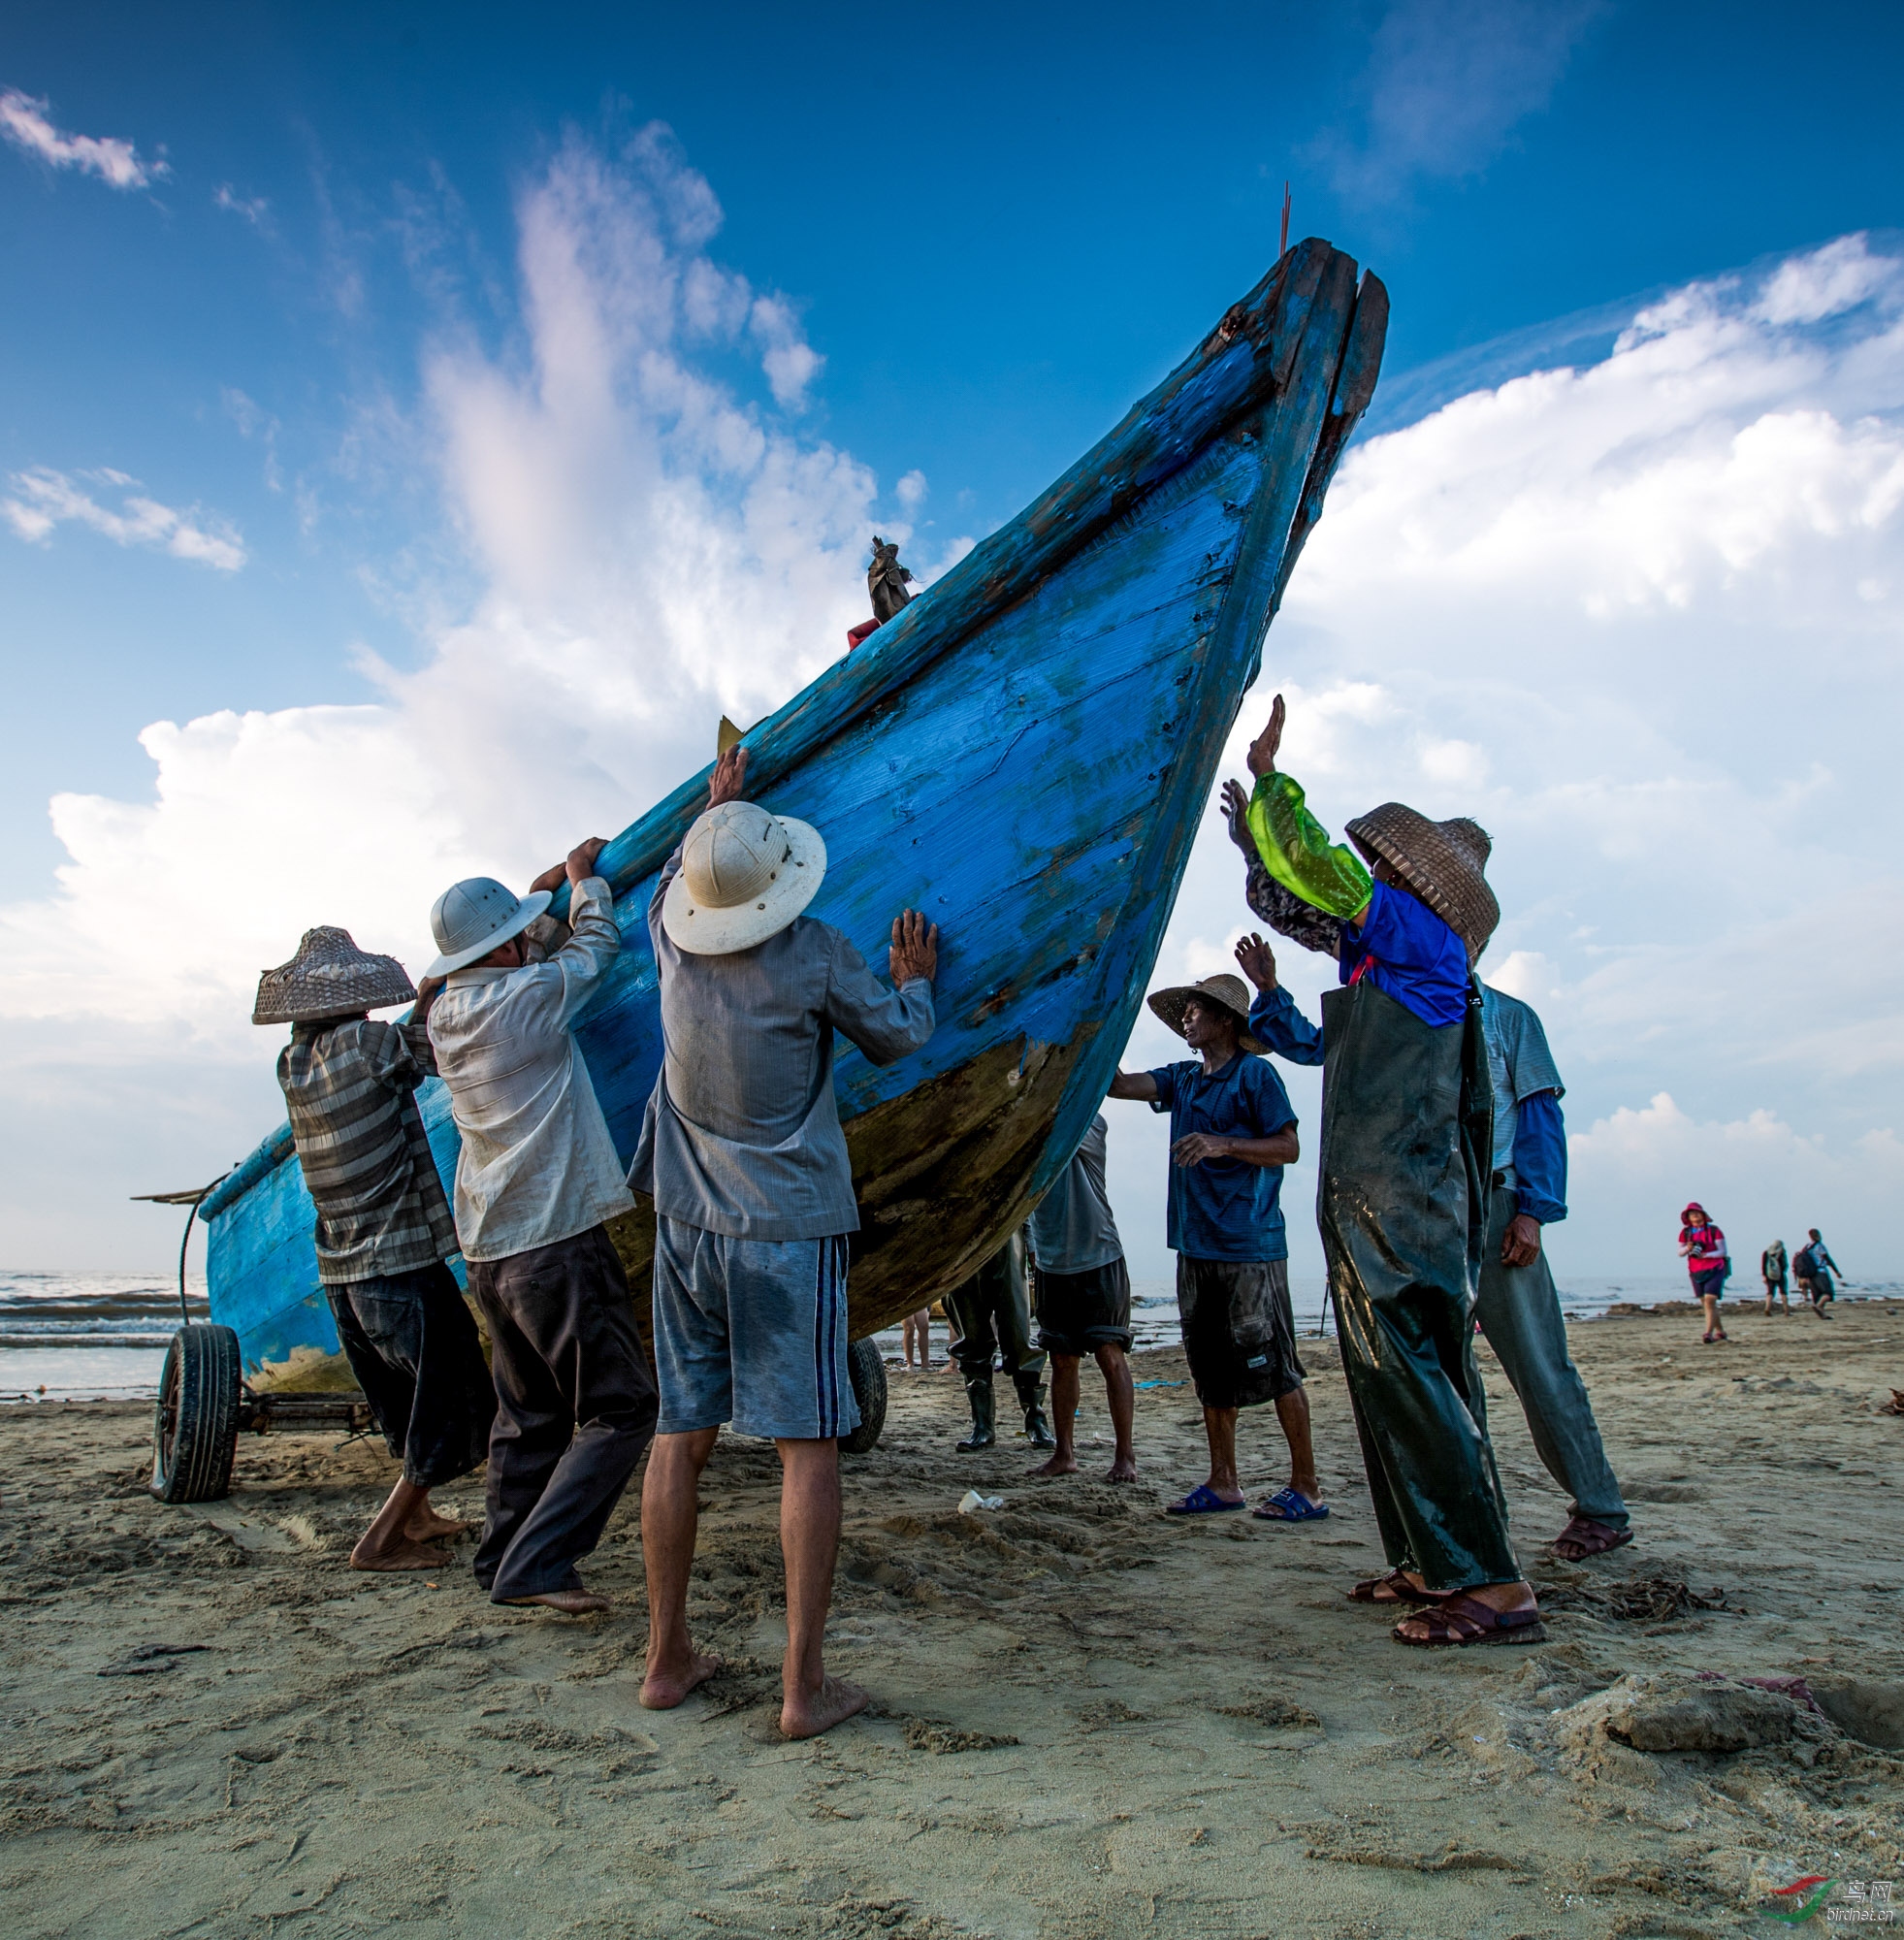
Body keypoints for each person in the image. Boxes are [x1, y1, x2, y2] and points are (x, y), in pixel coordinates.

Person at [1216, 692, 1542, 1647]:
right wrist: (1269, 976)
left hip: (1405, 1200)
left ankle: (1488, 1583)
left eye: (1382, 870)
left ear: (1412, 882)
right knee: (1383, 1372)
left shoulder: (1416, 935)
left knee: (1416, 1372)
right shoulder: (1381, 959)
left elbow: (1314, 872)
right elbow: (1321, 1026)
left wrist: (1275, 785)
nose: (1368, 878)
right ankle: (1426, 1556)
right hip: (1373, 1197)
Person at [631, 745, 939, 1740]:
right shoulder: (811, 952)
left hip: (683, 1222)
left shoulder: (671, 946)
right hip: (786, 1229)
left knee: (680, 1434)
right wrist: (916, 981)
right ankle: (802, 1686)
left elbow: (675, 883)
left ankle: (666, 1656)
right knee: (807, 1447)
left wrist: (715, 807)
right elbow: (895, 1036)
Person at [1236, 931, 1632, 1563]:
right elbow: (1316, 1046)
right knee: (1438, 1379)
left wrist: (1530, 1212)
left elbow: (1537, 1117)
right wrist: (1267, 991)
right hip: (1418, 1213)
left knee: (1538, 1367)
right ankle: (1470, 1529)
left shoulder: (1508, 1016)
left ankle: (1600, 1509)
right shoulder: (1387, 1013)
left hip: (1494, 1208)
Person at [427, 839, 660, 1615]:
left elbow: (539, 963)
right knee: (624, 1406)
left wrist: (536, 919)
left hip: (490, 1251)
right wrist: (583, 884)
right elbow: (596, 951)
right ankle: (539, 1563)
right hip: (554, 1240)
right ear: (511, 946)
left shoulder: (446, 1018)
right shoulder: (524, 999)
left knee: (529, 1415)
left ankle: (501, 1560)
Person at [257, 927, 496, 1572]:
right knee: (454, 1399)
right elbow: (433, 1048)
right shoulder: (369, 1044)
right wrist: (437, 986)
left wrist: (414, 1001)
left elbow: (385, 1045)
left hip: (343, 1276)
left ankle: (416, 1518)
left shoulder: (293, 1064)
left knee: (410, 1400)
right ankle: (383, 1537)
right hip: (399, 1264)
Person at [1105, 973, 1321, 1522]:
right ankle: (1223, 1481)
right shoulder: (1183, 1079)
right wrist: (1096, 1024)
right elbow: (1119, 1085)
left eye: (1196, 1010)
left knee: (1276, 1367)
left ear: (1226, 1020)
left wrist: (1222, 1143)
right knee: (1209, 1367)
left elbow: (1289, 1147)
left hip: (1250, 1246)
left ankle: (1308, 1486)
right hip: (1195, 1246)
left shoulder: (1256, 1076)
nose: (1187, 1018)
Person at [1025, 1113, 1138, 1483]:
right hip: (1051, 1260)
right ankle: (1064, 1453)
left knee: (1109, 1354)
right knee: (1061, 1360)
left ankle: (1125, 1456)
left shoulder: (1088, 1118)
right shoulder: (1031, 1121)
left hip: (1098, 1256)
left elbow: (1055, 1126)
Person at [944, 1233, 1056, 1453]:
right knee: (971, 1337)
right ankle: (982, 1426)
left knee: (1017, 1333)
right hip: (956, 1239)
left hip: (1006, 1236)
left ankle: (1036, 1419)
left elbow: (1026, 1201)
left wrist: (1032, 1244)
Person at [1678, 1202, 1729, 1342]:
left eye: (1697, 1212)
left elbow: (1723, 1251)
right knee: (1706, 1303)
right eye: (1691, 1214)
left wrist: (1707, 1255)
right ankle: (1721, 1331)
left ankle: (1708, 1333)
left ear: (1703, 1214)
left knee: (1710, 1300)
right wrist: (1688, 1248)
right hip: (1696, 1271)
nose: (1694, 1215)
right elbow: (1680, 1252)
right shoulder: (1686, 1233)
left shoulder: (1714, 1231)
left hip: (1715, 1268)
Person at [1793, 1229, 1843, 1313]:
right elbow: (1828, 1259)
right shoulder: (1820, 1246)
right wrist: (1836, 1271)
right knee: (1828, 1293)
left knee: (1816, 1294)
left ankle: (1822, 1313)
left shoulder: (1807, 1247)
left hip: (1811, 1273)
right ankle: (1818, 1306)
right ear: (1818, 1235)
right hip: (1820, 1272)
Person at [1761, 1238, 1790, 1315]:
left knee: (1770, 1292)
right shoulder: (1782, 1253)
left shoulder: (1766, 1253)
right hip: (1780, 1275)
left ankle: (1767, 1309)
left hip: (1769, 1275)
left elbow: (1763, 1265)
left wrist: (1764, 1275)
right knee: (1783, 1292)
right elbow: (1785, 1265)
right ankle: (1786, 1311)